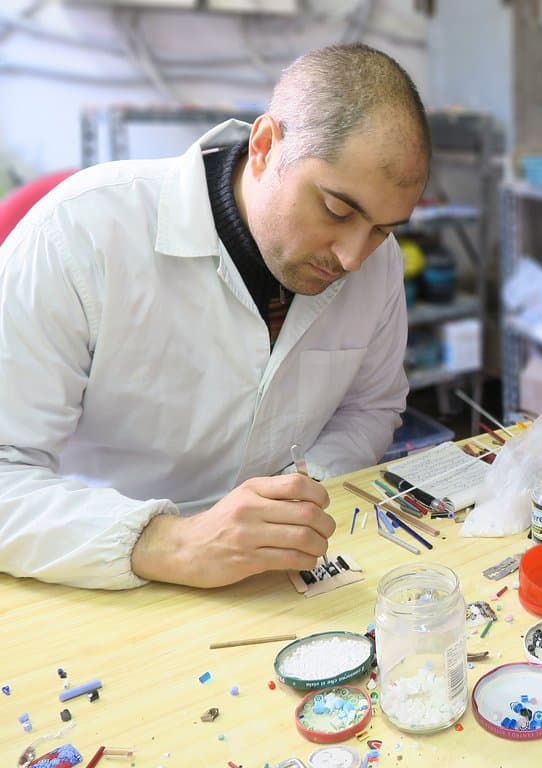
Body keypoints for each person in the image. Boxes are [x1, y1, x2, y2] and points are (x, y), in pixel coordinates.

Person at [0, 44, 430, 590]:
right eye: (337, 210)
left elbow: (371, 406)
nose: (352, 257)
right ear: (265, 146)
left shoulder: (375, 262)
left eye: (382, 229)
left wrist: (299, 494)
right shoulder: (81, 233)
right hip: (94, 568)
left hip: (272, 575)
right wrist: (166, 541)